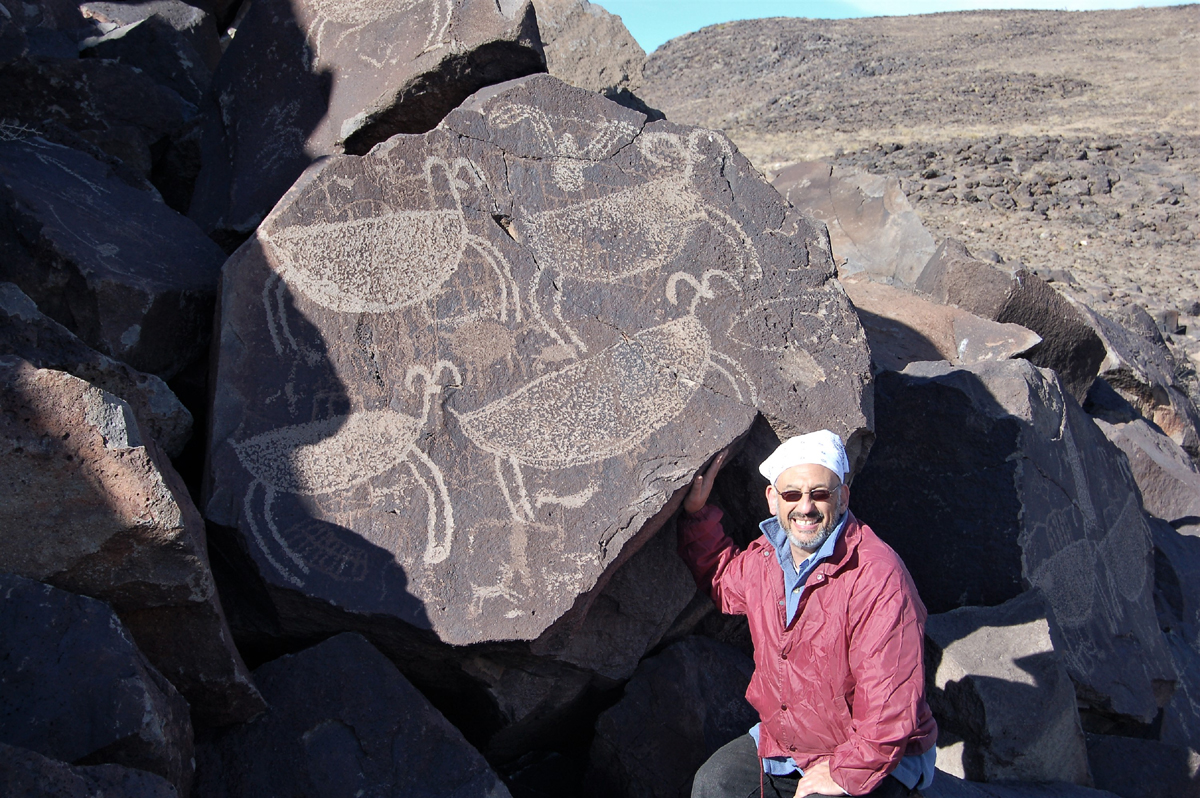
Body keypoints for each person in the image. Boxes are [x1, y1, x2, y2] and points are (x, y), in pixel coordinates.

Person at [679, 430, 937, 798]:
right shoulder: (766, 559)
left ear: (842, 496)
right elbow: (723, 579)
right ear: (773, 499)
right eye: (792, 494)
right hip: (789, 746)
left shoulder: (878, 577)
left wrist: (842, 773)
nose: (806, 507)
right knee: (716, 784)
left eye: (820, 493)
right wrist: (696, 513)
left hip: (875, 756)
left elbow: (890, 705)